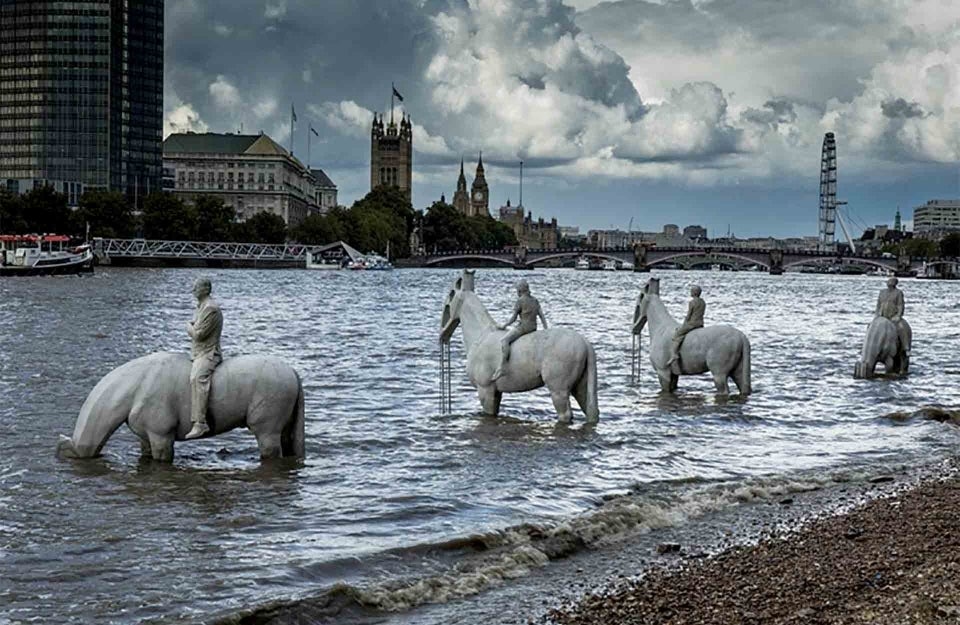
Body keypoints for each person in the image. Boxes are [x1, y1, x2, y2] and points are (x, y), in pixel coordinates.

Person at [185, 277, 223, 440]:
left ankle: (200, 423)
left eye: (196, 287)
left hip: (208, 353)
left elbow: (199, 335)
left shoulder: (211, 308)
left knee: (197, 378)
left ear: (206, 289)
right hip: (198, 353)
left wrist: (189, 327)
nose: (193, 290)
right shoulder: (201, 306)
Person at [491, 279, 548, 381]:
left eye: (517, 290)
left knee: (504, 340)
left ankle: (503, 366)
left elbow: (513, 318)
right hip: (533, 327)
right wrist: (546, 328)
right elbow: (542, 316)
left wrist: (503, 326)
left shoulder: (520, 301)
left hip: (523, 328)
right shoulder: (535, 300)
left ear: (520, 290)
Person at [667, 285, 705, 374]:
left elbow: (689, 315)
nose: (690, 292)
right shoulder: (703, 302)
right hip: (700, 323)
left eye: (691, 291)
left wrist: (684, 324)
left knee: (677, 334)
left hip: (692, 324)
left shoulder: (692, 302)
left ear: (694, 293)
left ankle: (674, 354)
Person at [876, 276, 909, 355]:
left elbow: (900, 305)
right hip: (882, 316)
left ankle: (906, 347)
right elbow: (878, 304)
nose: (889, 282)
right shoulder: (882, 292)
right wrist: (877, 314)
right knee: (870, 327)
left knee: (901, 328)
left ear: (895, 283)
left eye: (892, 281)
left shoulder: (898, 293)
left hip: (893, 317)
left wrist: (898, 316)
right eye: (889, 281)